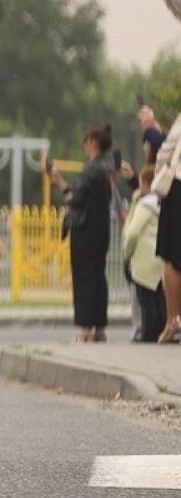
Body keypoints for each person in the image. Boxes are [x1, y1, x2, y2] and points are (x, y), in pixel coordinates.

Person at [50, 124, 114, 343]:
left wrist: (61, 185)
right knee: (98, 278)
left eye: (86, 143)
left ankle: (86, 328)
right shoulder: (106, 170)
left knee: (84, 279)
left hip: (85, 233)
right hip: (101, 232)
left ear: (93, 143)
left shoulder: (90, 170)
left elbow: (76, 199)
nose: (84, 147)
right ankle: (99, 328)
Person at [123, 165, 166, 342]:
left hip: (144, 261)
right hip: (160, 259)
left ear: (146, 183)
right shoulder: (163, 204)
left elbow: (132, 232)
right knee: (160, 302)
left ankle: (148, 339)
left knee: (147, 305)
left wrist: (127, 254)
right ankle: (160, 336)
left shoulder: (145, 205)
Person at [153, 109, 181, 342]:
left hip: (178, 189)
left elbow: (166, 151)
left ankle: (174, 320)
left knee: (173, 257)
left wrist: (160, 174)